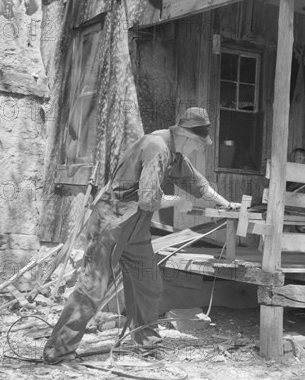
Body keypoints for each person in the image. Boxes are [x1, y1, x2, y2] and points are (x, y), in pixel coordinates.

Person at [43, 107, 241, 364]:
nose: (199, 150)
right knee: (93, 288)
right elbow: (148, 199)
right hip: (113, 222)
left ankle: (147, 346)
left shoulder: (173, 150)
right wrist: (171, 200)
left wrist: (226, 204)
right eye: (200, 146)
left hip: (135, 228)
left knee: (148, 285)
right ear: (188, 137)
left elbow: (196, 182)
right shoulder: (157, 146)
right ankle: (58, 350)